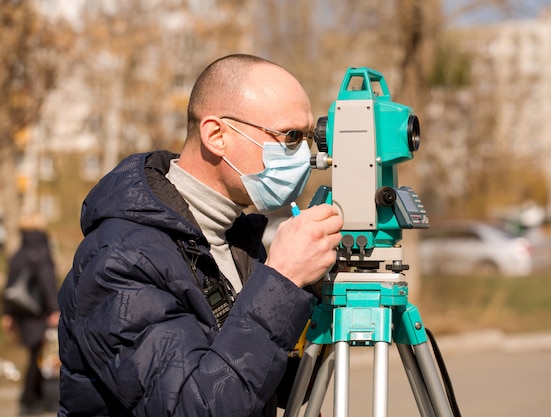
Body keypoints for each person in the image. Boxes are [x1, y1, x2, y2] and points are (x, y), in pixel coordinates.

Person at [57, 54, 343, 417]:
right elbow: (192, 407)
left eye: (307, 138)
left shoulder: (232, 239)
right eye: (290, 137)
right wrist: (283, 278)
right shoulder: (121, 257)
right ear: (216, 134)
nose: (305, 155)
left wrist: (318, 299)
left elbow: (266, 384)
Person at [2, 215, 60, 415]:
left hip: (22, 313)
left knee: (36, 355)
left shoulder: (18, 253)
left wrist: (7, 314)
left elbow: (10, 285)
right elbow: (47, 283)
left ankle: (35, 398)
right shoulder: (42, 253)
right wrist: (54, 309)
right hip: (39, 314)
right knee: (39, 356)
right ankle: (29, 400)